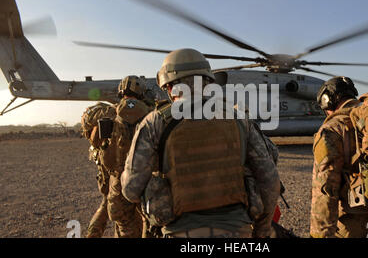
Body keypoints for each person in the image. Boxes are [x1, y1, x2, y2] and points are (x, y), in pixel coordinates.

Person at [121, 48, 280, 238]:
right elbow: (269, 180)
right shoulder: (238, 118)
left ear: (169, 86)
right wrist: (262, 230)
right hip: (237, 232)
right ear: (208, 82)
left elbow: (131, 189)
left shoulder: (154, 122)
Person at [310, 76, 368, 238]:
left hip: (353, 225)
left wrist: (319, 234)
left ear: (326, 101)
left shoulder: (333, 129)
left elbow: (325, 189)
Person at [106, 75, 153, 238]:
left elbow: (103, 151)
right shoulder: (152, 113)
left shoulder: (111, 113)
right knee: (150, 224)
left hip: (119, 180)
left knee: (124, 226)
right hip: (145, 179)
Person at [80, 102, 116, 238]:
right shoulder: (107, 111)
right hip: (109, 166)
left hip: (104, 165)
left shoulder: (98, 112)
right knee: (116, 207)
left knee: (107, 203)